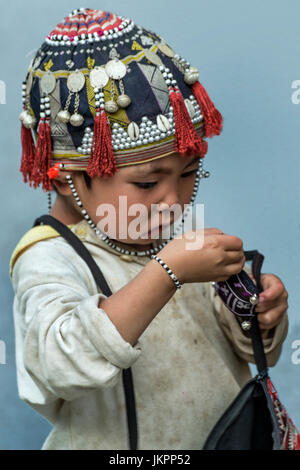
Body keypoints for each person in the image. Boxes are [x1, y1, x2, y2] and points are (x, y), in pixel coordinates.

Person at [10, 8, 289, 450]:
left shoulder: (175, 237)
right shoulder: (48, 257)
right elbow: (62, 365)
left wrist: (254, 314)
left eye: (189, 172)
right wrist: (167, 272)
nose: (173, 200)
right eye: (146, 182)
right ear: (65, 177)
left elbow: (249, 355)